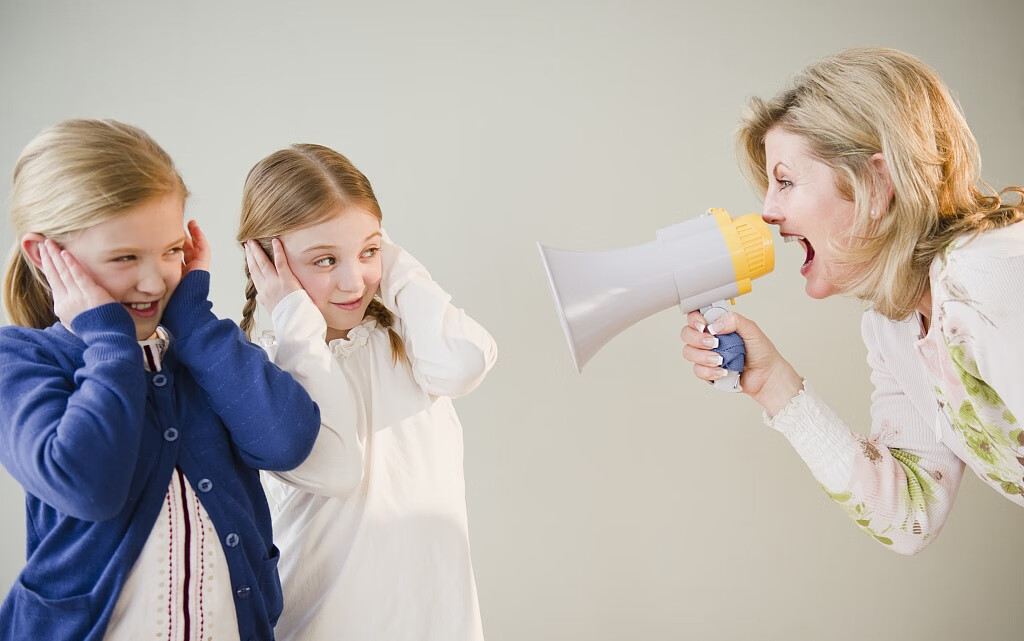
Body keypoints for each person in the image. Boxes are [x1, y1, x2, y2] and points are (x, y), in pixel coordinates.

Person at [681, 47, 1024, 554]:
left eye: (786, 181)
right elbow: (910, 513)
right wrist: (775, 383)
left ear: (877, 183)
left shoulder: (987, 278)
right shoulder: (897, 326)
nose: (767, 212)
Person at [0, 119, 321, 640]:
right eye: (125, 257)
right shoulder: (21, 360)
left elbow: (286, 441)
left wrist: (193, 321)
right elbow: (88, 485)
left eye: (172, 251)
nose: (154, 281)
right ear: (45, 255)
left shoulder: (203, 351)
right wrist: (110, 343)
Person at [237, 144, 497, 640]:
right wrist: (293, 316)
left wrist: (386, 254)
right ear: (267, 260)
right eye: (325, 259)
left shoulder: (409, 344)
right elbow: (333, 468)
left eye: (369, 252)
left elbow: (465, 363)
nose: (353, 280)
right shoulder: (259, 371)